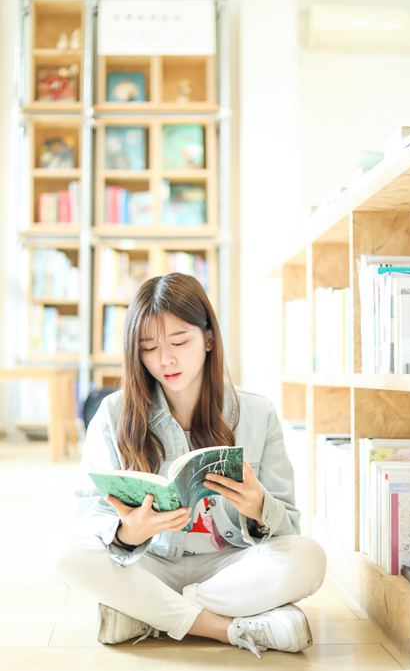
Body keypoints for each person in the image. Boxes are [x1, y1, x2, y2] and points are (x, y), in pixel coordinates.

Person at [48, 273, 326, 658]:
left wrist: (259, 507)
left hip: (229, 566)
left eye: (179, 342)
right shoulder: (113, 415)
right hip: (149, 563)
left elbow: (289, 528)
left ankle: (146, 615)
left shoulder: (257, 413)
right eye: (149, 347)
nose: (166, 359)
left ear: (208, 338)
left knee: (310, 558)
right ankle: (224, 627)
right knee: (65, 556)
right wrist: (128, 533)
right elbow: (89, 518)